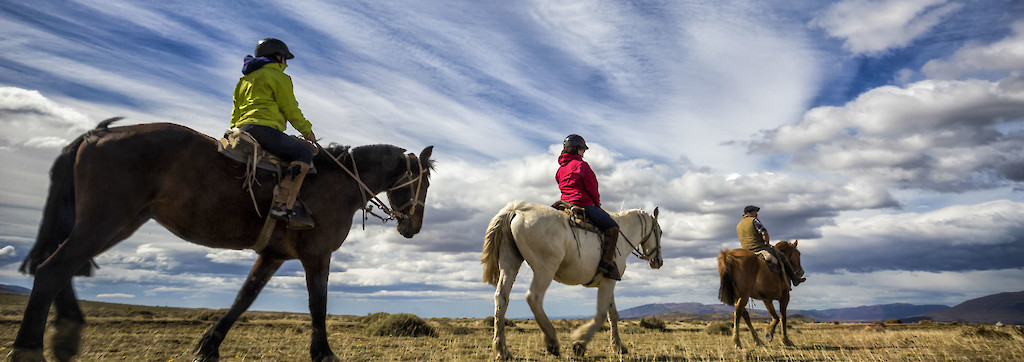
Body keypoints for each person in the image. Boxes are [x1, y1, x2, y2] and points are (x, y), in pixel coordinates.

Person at [230, 38, 317, 229]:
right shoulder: (279, 77)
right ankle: (282, 205)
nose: (286, 63)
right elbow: (290, 109)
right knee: (304, 154)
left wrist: (233, 131)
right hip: (265, 129)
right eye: (285, 58)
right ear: (278, 56)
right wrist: (307, 131)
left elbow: (236, 111)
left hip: (243, 129)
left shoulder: (243, 81)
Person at [556, 134, 621, 280]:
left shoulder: (561, 169)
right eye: (582, 149)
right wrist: (597, 204)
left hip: (564, 203)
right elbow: (592, 188)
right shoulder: (582, 166)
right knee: (613, 227)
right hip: (582, 203)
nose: (584, 152)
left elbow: (560, 184)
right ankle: (606, 264)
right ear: (576, 149)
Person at [736, 205, 805, 286]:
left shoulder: (739, 225)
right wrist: (767, 243)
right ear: (750, 212)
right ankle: (795, 279)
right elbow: (764, 233)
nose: (756, 213)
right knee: (781, 256)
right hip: (758, 247)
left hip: (746, 250)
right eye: (755, 212)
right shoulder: (754, 221)